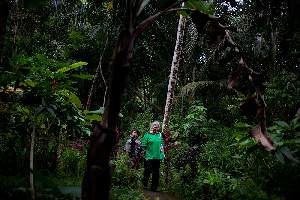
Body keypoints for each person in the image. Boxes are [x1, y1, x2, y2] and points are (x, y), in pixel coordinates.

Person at [141, 121, 165, 192]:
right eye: (154, 125)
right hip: (148, 156)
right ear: (151, 127)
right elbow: (143, 146)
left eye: (157, 126)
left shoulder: (160, 135)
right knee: (148, 170)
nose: (155, 127)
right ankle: (144, 184)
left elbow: (162, 145)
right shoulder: (147, 135)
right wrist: (143, 153)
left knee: (156, 172)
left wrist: (162, 155)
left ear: (158, 128)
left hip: (157, 157)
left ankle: (154, 188)